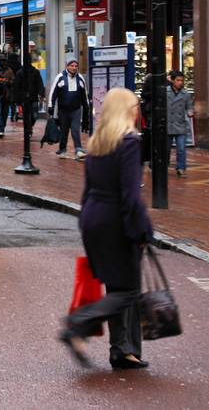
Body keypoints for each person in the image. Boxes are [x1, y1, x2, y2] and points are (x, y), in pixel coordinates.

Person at [59, 87, 153, 371]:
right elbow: (130, 196)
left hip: (93, 219)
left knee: (117, 287)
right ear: (127, 110)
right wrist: (142, 231)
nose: (138, 111)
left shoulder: (98, 142)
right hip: (115, 222)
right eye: (135, 106)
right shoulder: (129, 143)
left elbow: (87, 191)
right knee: (128, 291)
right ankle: (78, 324)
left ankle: (122, 351)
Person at [49, 58, 91, 159]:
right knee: (64, 131)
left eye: (76, 66)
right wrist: (51, 106)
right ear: (67, 66)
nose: (74, 68)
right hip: (63, 110)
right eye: (72, 66)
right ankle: (62, 150)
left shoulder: (80, 78)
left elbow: (84, 95)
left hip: (76, 110)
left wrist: (86, 108)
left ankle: (78, 150)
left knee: (75, 130)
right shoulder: (60, 77)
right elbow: (53, 93)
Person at [166, 71, 192, 177]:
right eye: (178, 80)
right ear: (172, 80)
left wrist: (190, 111)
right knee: (166, 149)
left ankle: (181, 168)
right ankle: (164, 166)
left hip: (180, 125)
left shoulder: (186, 94)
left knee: (181, 148)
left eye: (182, 80)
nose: (180, 82)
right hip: (168, 124)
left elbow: (189, 107)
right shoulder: (165, 92)